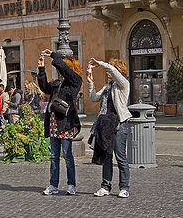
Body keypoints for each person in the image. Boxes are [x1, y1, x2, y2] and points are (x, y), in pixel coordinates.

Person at [37, 49, 82, 196]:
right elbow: (44, 87)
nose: (62, 69)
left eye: (65, 66)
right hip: (53, 123)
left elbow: (65, 70)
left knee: (68, 156)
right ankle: (53, 185)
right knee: (54, 156)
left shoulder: (75, 82)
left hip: (66, 123)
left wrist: (54, 57)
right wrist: (42, 69)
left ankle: (71, 184)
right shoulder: (57, 84)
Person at [87, 58, 132, 198]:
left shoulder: (123, 84)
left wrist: (100, 63)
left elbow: (112, 70)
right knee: (107, 157)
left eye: (111, 69)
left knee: (120, 158)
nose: (108, 72)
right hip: (106, 126)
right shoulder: (108, 87)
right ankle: (105, 186)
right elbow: (94, 98)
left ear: (118, 71)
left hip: (119, 124)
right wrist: (90, 84)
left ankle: (124, 187)